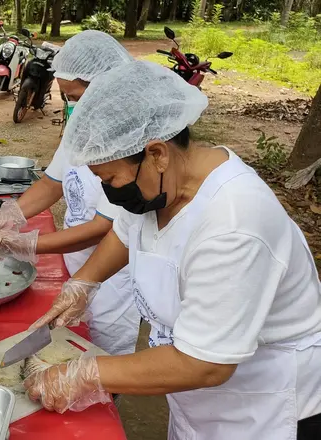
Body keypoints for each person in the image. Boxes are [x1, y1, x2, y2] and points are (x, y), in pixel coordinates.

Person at [23, 60, 321, 440]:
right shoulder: (161, 186)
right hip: (200, 401)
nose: (112, 191)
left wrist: (88, 373)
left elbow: (205, 363)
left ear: (157, 153)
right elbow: (126, 231)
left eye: (111, 178)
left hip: (265, 410)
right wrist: (84, 282)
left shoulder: (234, 222)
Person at [0, 30, 139, 357]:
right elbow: (52, 183)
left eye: (79, 96)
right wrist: (9, 217)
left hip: (113, 276)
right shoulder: (82, 124)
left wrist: (27, 244)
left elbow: (103, 226)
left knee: (101, 359)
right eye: (67, 97)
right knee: (64, 348)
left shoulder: (131, 139)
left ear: (106, 85)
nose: (73, 106)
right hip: (75, 260)